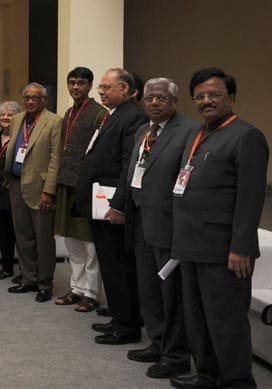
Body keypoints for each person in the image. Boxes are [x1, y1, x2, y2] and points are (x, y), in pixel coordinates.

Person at [169, 67, 267, 389]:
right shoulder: (199, 134)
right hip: (191, 246)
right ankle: (207, 376)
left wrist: (240, 247)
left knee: (226, 323)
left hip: (224, 251)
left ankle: (237, 382)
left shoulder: (246, 136)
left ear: (232, 98)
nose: (206, 101)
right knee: (198, 320)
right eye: (199, 96)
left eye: (214, 94)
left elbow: (251, 198)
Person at [124, 77, 197, 379]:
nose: (154, 103)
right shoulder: (144, 130)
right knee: (149, 290)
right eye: (150, 98)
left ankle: (176, 355)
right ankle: (157, 343)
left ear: (174, 102)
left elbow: (187, 183)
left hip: (169, 226)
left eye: (161, 98)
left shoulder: (189, 131)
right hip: (141, 221)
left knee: (172, 295)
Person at [76, 68, 147, 344]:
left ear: (127, 89)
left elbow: (129, 166)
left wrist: (119, 205)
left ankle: (128, 325)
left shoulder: (133, 117)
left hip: (113, 208)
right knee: (110, 263)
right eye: (101, 88)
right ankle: (120, 314)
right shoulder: (114, 114)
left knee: (120, 265)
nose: (101, 91)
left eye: (107, 87)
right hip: (100, 204)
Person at [53, 67, 108, 312]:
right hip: (66, 183)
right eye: (72, 83)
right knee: (71, 240)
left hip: (86, 186)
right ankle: (76, 288)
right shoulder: (68, 112)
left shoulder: (99, 114)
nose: (76, 87)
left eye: (81, 83)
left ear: (89, 86)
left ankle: (92, 293)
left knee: (89, 244)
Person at [3, 83, 62, 303]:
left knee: (43, 239)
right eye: (26, 97)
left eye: (34, 98)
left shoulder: (54, 121)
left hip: (41, 189)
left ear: (44, 101)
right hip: (17, 185)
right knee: (23, 236)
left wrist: (49, 191)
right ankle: (29, 279)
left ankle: (45, 283)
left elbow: (56, 158)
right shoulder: (17, 119)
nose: (29, 102)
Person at [0, 101, 22, 280]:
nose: (5, 117)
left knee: (19, 233)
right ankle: (7, 267)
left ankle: (25, 271)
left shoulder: (20, 139)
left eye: (10, 114)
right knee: (1, 232)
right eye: (3, 114)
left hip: (15, 191)